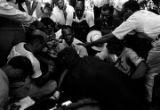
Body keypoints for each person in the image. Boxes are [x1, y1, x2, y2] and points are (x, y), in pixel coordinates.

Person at [83, 0, 160, 102]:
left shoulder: (133, 19)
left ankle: (148, 102)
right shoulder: (144, 13)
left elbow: (109, 36)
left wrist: (89, 44)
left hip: (157, 43)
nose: (122, 15)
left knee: (149, 74)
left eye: (123, 12)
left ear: (129, 11)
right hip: (156, 41)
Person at [57, 47, 147, 110]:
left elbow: (83, 100)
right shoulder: (89, 59)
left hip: (119, 102)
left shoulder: (78, 75)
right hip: (133, 92)